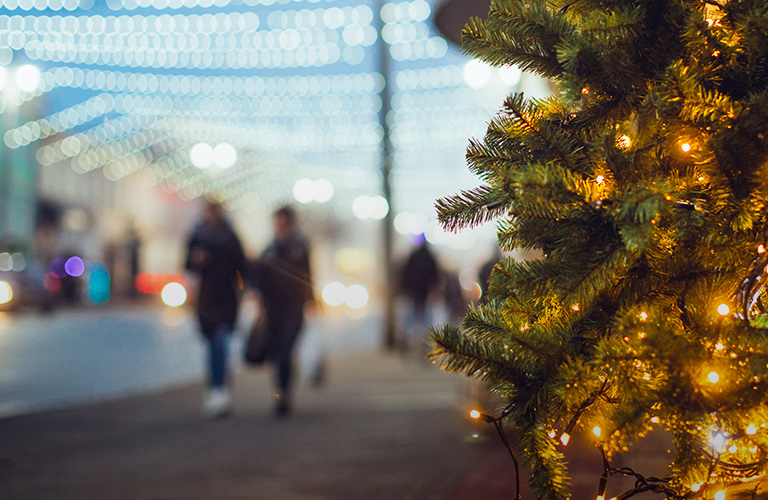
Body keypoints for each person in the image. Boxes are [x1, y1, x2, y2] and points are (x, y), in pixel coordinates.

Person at [251, 205, 314, 417]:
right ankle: (280, 394)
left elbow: (307, 274)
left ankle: (284, 394)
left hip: (294, 307)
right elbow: (259, 277)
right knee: (278, 353)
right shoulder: (269, 249)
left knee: (286, 349)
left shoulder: (299, 247)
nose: (280, 225)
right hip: (273, 308)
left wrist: (311, 301)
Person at [185, 201, 245, 419]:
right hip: (206, 299)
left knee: (220, 343)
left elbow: (242, 266)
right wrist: (196, 261)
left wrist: (246, 291)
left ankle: (220, 390)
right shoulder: (198, 235)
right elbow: (187, 264)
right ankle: (215, 389)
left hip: (226, 298)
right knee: (211, 346)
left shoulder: (230, 236)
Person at [399, 236, 441, 353]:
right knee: (426, 318)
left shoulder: (413, 256)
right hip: (425, 292)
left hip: (413, 292)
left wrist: (405, 289)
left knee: (411, 317)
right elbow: (435, 276)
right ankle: (426, 343)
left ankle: (405, 341)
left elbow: (406, 273)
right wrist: (435, 290)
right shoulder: (430, 257)